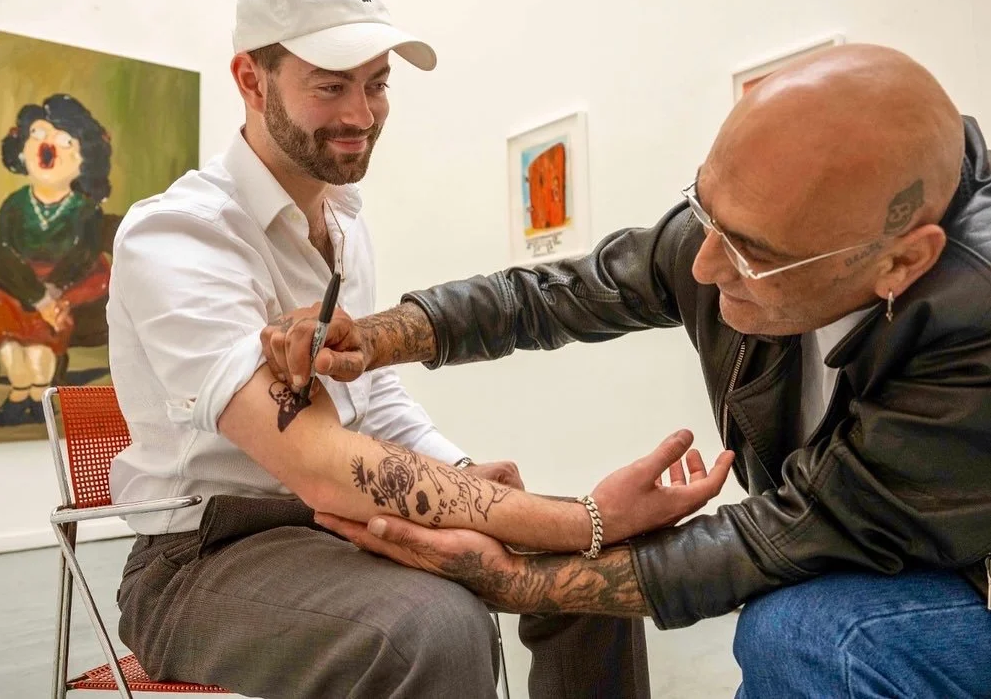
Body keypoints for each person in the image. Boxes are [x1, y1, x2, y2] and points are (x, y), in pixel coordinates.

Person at [268, 43, 991, 697]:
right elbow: (557, 295)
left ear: (902, 261)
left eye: (749, 256)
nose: (703, 268)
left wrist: (511, 577)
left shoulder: (975, 325)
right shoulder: (739, 232)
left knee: (804, 631)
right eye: (702, 214)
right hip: (862, 541)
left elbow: (792, 534)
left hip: (970, 579)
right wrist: (372, 337)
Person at [106, 0, 732, 699]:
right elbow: (314, 460)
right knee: (432, 624)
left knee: (589, 582)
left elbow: (376, 403)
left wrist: (464, 475)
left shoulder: (342, 223)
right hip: (205, 560)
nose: (361, 116)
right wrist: (581, 518)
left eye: (376, 86)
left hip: (335, 522)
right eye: (330, 86)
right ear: (250, 79)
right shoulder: (177, 237)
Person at [0, 94, 111, 426]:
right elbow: (2, 252)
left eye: (65, 140)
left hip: (64, 290)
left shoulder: (85, 211)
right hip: (13, 287)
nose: (47, 145)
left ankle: (39, 397)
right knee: (10, 351)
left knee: (39, 352)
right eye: (37, 134)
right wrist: (35, 295)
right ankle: (18, 394)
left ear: (85, 160)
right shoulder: (13, 205)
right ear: (22, 149)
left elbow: (83, 259)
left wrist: (51, 296)